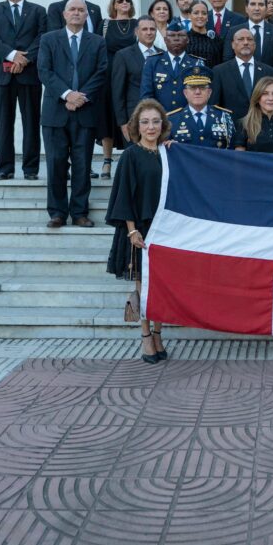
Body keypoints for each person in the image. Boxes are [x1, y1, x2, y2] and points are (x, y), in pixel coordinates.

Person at [106, 98, 169, 364]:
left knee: (163, 287)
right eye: (145, 122)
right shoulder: (131, 155)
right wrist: (132, 231)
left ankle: (158, 334)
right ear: (137, 126)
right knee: (144, 288)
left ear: (163, 124)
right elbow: (124, 197)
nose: (151, 127)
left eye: (156, 121)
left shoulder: (168, 153)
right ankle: (145, 338)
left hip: (165, 230)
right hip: (139, 231)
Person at [38, 0, 107, 228]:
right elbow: (44, 71)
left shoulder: (97, 42)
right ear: (64, 14)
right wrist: (67, 94)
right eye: (72, 10)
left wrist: (80, 97)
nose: (77, 13)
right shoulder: (49, 39)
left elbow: (101, 71)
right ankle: (57, 212)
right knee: (56, 164)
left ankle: (79, 212)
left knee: (82, 164)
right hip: (55, 112)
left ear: (87, 15)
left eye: (81, 10)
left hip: (85, 112)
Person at [0, 0, 47, 181]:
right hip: (1, 79)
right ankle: (6, 168)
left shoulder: (38, 11)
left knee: (31, 123)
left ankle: (30, 169)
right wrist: (12, 55)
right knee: (3, 124)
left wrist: (24, 60)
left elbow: (42, 38)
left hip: (29, 77)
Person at [97, 0, 139, 178]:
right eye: (120, 0)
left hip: (132, 77)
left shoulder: (138, 24)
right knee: (107, 117)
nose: (124, 2)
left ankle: (133, 158)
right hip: (108, 76)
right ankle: (107, 161)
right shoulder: (104, 25)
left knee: (132, 115)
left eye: (127, 0)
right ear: (114, 4)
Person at [111, 16, 162, 146]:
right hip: (133, 118)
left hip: (159, 117)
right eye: (145, 29)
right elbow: (118, 92)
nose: (149, 32)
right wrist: (122, 122)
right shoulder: (123, 55)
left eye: (152, 29)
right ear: (136, 32)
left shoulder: (162, 55)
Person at [210, 27, 273, 123]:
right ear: (232, 45)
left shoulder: (268, 71)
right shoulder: (220, 71)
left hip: (262, 126)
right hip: (232, 128)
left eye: (249, 39)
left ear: (255, 45)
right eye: (240, 39)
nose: (245, 42)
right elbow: (214, 105)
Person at [139, 19, 204, 111]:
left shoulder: (196, 63)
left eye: (181, 35)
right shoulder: (152, 62)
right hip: (161, 119)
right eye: (172, 35)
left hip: (187, 120)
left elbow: (201, 96)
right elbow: (146, 96)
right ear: (165, 40)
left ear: (188, 39)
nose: (176, 38)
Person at [223, 0, 273, 76]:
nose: (257, 8)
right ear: (246, 8)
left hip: (269, 81)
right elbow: (228, 58)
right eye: (253, 4)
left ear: (266, 9)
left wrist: (270, 75)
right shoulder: (234, 31)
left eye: (261, 5)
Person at [167, 70, 235, 148]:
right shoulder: (172, 120)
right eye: (192, 88)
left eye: (202, 88)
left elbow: (232, 151)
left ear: (209, 92)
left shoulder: (224, 117)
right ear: (185, 93)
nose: (197, 92)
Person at [186, 0, 223, 68]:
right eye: (196, 13)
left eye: (204, 13)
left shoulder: (216, 39)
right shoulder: (184, 39)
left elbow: (220, 64)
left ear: (207, 17)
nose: (200, 16)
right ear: (189, 16)